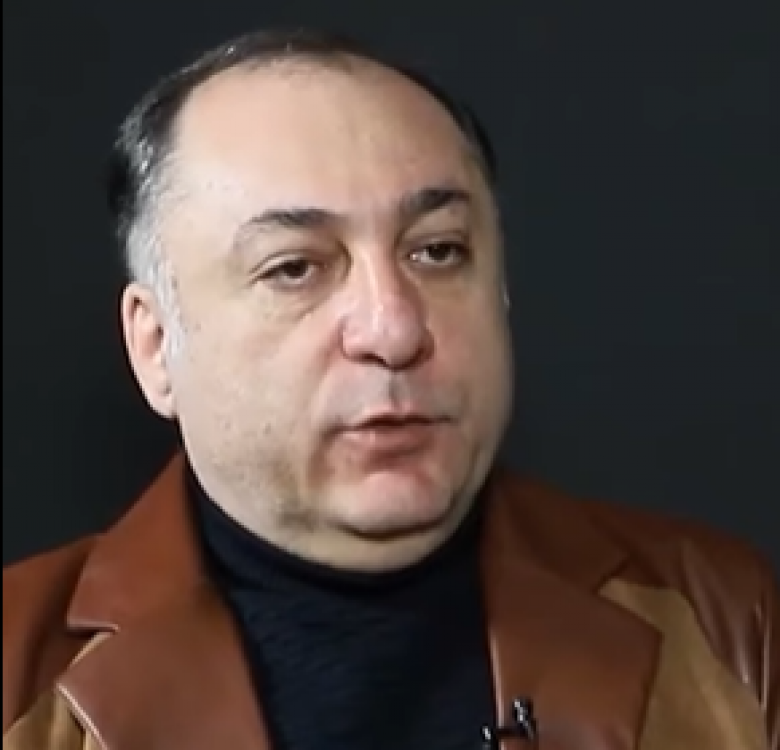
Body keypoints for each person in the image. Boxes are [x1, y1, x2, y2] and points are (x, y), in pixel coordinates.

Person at [3, 27, 777, 750]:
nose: (394, 328)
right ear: (155, 348)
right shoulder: (17, 674)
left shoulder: (722, 624)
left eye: (437, 251)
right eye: (295, 268)